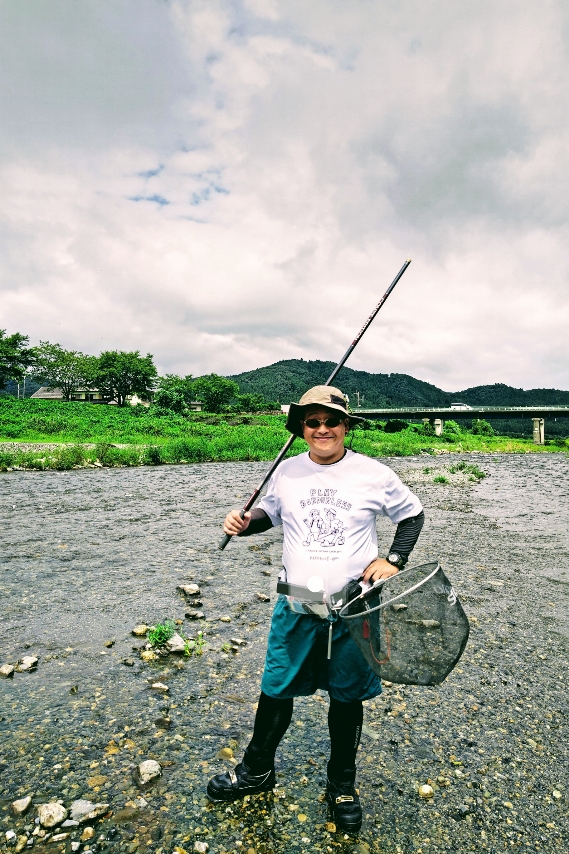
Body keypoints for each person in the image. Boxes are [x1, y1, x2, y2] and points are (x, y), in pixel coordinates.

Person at [208, 386, 425, 834]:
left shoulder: (375, 474)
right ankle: (256, 772)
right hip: (298, 598)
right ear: (302, 429)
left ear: (346, 426)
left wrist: (395, 559)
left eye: (331, 420)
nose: (322, 428)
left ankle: (341, 785)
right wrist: (242, 523)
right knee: (277, 686)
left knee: (347, 695)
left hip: (355, 604)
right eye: (312, 421)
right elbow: (267, 516)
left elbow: (412, 516)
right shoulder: (286, 472)